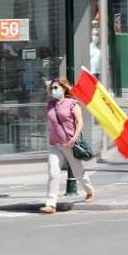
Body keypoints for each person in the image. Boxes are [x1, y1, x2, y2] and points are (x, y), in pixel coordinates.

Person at [41, 78, 94, 214]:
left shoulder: (72, 104)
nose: (54, 90)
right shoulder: (50, 105)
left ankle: (89, 191)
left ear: (64, 88)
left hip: (69, 144)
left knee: (78, 172)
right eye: (52, 88)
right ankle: (51, 204)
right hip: (54, 145)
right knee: (53, 173)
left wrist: (75, 137)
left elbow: (80, 122)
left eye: (57, 88)